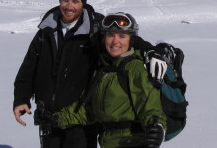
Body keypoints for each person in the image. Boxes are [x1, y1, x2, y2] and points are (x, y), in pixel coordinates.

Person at [13, 0, 166, 148]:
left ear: (83, 3)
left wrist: (150, 50)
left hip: (83, 121)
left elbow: (122, 38)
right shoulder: (45, 31)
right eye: (65, 0)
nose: (69, 6)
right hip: (51, 117)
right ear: (59, 1)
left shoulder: (95, 27)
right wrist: (21, 98)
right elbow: (28, 68)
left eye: (75, 1)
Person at [53, 12, 166, 148]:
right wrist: (57, 118)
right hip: (109, 143)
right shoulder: (103, 70)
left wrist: (157, 127)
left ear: (131, 40)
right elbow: (88, 110)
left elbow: (150, 105)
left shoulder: (135, 68)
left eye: (122, 36)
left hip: (133, 142)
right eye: (110, 35)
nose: (115, 41)